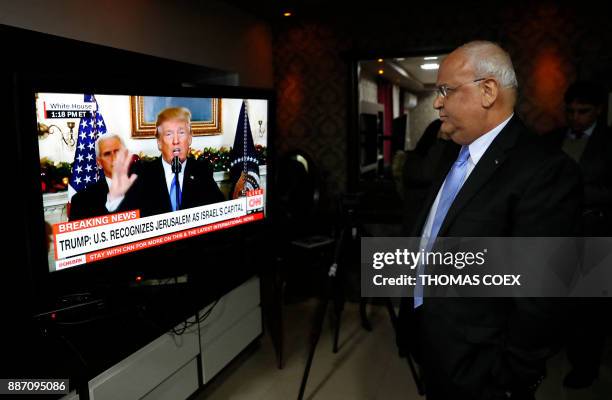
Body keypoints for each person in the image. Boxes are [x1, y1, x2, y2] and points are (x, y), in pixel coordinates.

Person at [404, 41, 582, 399]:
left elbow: (542, 296)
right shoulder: (451, 151)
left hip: (484, 370)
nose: (438, 102)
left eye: (446, 91)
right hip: (433, 340)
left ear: (487, 91)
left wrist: (510, 376)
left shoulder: (544, 170)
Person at [546, 81, 612, 388]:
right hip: (555, 233)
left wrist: (572, 192)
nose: (575, 117)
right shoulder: (552, 139)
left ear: (599, 110)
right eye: (570, 111)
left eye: (583, 112)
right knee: (557, 302)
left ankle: (585, 368)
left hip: (592, 233)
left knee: (589, 310)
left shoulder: (609, 142)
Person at [108, 107, 224, 216]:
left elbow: (221, 212)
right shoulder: (142, 173)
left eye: (181, 133)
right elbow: (124, 219)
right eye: (169, 134)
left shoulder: (202, 171)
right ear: (159, 142)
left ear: (190, 138)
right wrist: (115, 199)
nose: (176, 140)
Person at [69, 134, 125, 220]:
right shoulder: (81, 200)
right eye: (107, 154)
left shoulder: (145, 187)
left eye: (118, 152)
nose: (114, 158)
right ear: (99, 162)